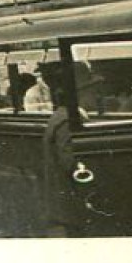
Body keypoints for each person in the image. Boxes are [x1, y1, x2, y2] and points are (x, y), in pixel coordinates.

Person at [38, 65, 77, 236]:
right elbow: (68, 161)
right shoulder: (67, 120)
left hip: (60, 201)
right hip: (68, 200)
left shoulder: (60, 116)